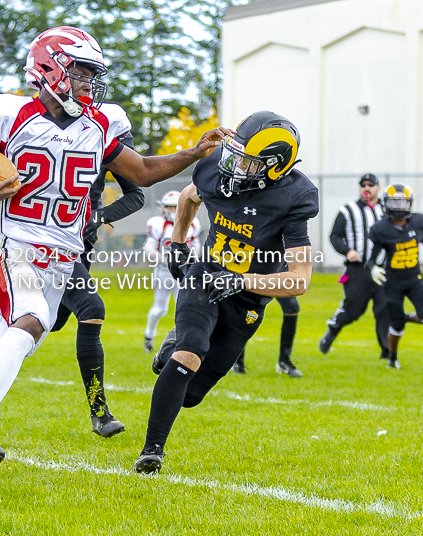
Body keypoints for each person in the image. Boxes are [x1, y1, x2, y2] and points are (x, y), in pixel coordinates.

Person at [0, 26, 232, 471]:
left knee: (2, 357)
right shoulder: (10, 114)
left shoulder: (98, 125)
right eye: (80, 71)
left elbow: (144, 172)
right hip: (12, 244)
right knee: (33, 319)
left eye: (91, 73)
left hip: (61, 258)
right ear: (49, 68)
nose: (88, 82)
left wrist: (193, 152)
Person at [135, 110, 319, 474]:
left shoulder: (295, 197)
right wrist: (177, 243)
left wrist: (242, 280)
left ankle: (172, 345)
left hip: (249, 293)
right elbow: (189, 196)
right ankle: (151, 450)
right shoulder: (216, 168)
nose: (233, 166)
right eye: (235, 154)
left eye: (248, 163)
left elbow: (299, 279)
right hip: (206, 273)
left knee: (190, 396)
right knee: (191, 353)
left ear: (274, 167)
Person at [46, 102, 145, 438]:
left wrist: (100, 217)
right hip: (43, 236)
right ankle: (99, 410)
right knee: (91, 308)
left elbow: (136, 195)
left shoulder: (108, 137)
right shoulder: (43, 130)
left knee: (56, 319)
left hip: (79, 240)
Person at [365, 184, 423, 370]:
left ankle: (403, 318)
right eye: (394, 202)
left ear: (409, 203)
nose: (398, 207)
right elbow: (371, 257)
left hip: (414, 280)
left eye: (402, 202)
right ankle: (393, 358)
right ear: (386, 204)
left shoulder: (418, 221)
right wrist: (372, 268)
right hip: (392, 283)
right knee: (397, 328)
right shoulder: (381, 228)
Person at [319, 173, 390, 359]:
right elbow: (335, 235)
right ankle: (332, 330)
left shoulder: (387, 210)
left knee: (385, 309)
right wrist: (347, 250)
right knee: (354, 309)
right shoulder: (348, 210)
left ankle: (387, 351)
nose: (366, 188)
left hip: (383, 269)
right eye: (363, 185)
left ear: (378, 188)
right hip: (357, 269)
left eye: (371, 185)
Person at [142, 190, 201, 353]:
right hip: (163, 271)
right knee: (160, 308)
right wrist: (166, 260)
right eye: (168, 207)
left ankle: (180, 341)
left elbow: (196, 245)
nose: (172, 211)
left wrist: (192, 259)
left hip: (183, 272)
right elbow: (149, 249)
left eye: (175, 207)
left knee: (182, 307)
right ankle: (149, 336)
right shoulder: (158, 224)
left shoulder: (192, 223)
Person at [231, 296, 302, 377]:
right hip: (258, 283)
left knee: (291, 307)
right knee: (247, 310)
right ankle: (237, 361)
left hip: (278, 283)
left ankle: (284, 361)